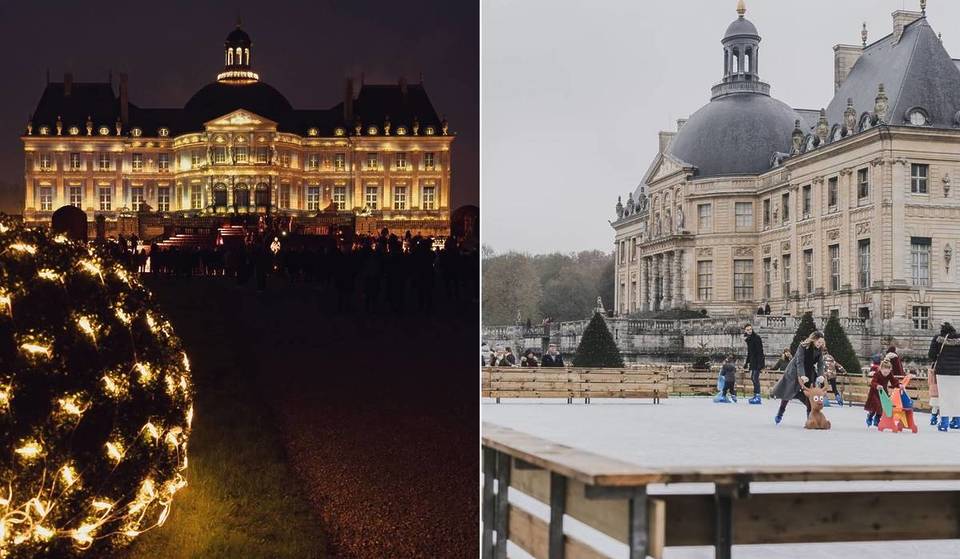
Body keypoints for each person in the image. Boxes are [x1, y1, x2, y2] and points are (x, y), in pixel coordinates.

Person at [771, 331, 826, 425]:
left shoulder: (819, 350)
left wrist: (821, 375)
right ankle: (780, 413)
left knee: (809, 395)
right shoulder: (803, 347)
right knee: (788, 393)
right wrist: (802, 375)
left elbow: (821, 363)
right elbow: (799, 362)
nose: (820, 344)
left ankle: (810, 418)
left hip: (809, 371)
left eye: (821, 342)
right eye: (818, 342)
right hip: (794, 371)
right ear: (813, 340)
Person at [928, 322, 957, 426]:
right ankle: (957, 422)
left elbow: (931, 355)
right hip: (958, 373)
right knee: (956, 396)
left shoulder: (938, 338)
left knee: (944, 397)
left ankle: (944, 423)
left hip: (942, 371)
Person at [865, 356, 900, 427]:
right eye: (884, 369)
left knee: (883, 407)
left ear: (890, 370)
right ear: (881, 368)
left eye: (888, 369)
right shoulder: (877, 374)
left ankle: (877, 419)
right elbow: (873, 382)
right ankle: (870, 416)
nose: (886, 371)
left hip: (883, 393)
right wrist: (877, 385)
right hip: (874, 393)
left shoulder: (889, 374)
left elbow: (893, 381)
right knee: (876, 406)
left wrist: (899, 385)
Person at [743, 324, 765, 404]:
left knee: (755, 378)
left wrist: (761, 364)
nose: (749, 331)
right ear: (745, 331)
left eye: (750, 329)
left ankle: (758, 396)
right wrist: (746, 363)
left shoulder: (756, 338)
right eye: (748, 330)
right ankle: (756, 395)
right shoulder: (749, 339)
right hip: (753, 361)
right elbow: (749, 353)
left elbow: (760, 352)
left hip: (758, 361)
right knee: (753, 378)